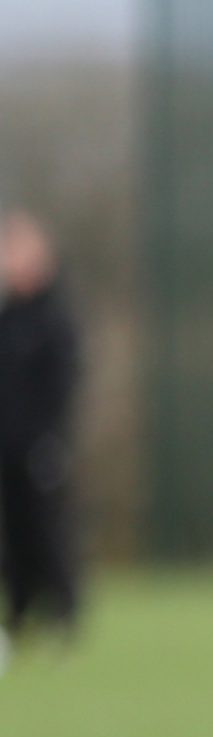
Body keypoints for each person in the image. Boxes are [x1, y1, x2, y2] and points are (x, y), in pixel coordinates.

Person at [0, 208, 81, 645]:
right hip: (7, 446)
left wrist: (49, 439)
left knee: (48, 528)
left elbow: (63, 383)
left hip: (42, 446)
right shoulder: (8, 317)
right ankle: (18, 616)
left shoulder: (54, 317)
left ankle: (65, 616)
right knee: (13, 534)